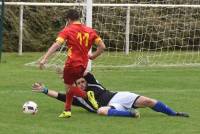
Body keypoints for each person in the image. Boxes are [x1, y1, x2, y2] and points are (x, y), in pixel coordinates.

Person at [39, 9, 106, 118]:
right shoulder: (90, 30)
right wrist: (93, 56)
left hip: (72, 63)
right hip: (83, 65)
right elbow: (102, 47)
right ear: (79, 18)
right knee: (71, 85)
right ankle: (67, 111)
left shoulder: (67, 30)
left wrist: (45, 58)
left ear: (68, 19)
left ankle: (87, 95)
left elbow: (57, 45)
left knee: (69, 87)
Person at [32, 72, 189, 118]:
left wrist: (68, 70)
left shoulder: (91, 81)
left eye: (82, 82)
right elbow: (59, 95)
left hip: (118, 96)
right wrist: (44, 90)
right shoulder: (78, 99)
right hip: (109, 107)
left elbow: (83, 70)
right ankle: (131, 114)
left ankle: (174, 114)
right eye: (78, 83)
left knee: (148, 101)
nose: (81, 84)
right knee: (101, 111)